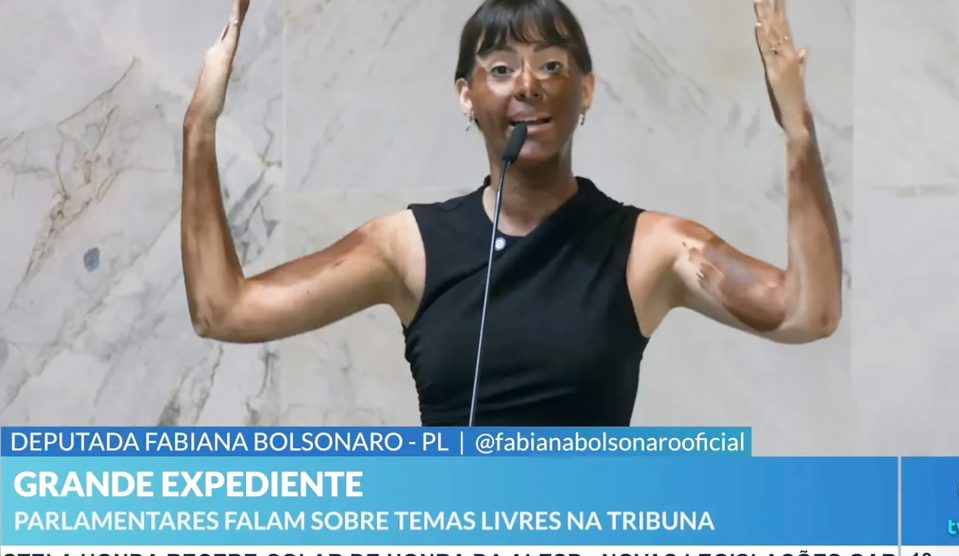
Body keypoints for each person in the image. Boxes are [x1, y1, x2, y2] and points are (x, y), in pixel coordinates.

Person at [181, 0, 842, 426]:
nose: (528, 84)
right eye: (501, 69)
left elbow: (807, 312)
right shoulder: (406, 248)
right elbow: (224, 310)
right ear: (466, 96)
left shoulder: (651, 249)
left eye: (551, 66)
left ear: (586, 91)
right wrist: (199, 129)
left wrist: (798, 133)